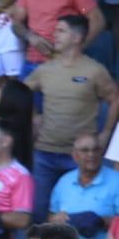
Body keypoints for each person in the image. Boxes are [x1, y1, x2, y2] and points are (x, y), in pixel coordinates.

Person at [25, 14, 116, 221]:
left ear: (76, 38)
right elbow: (20, 92)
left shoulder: (94, 70)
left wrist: (106, 133)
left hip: (81, 157)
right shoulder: (45, 69)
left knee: (75, 219)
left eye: (60, 31)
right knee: (38, 215)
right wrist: (33, 117)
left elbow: (115, 99)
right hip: (45, 154)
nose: (53, 35)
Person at [49, 134, 119, 239]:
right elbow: (51, 215)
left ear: (101, 153)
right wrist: (56, 219)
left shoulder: (116, 180)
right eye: (85, 150)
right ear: (74, 155)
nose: (91, 154)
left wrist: (101, 221)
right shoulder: (65, 181)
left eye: (95, 149)